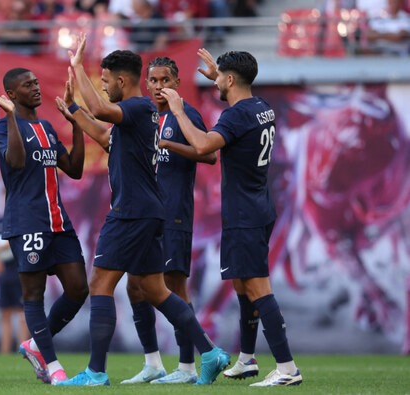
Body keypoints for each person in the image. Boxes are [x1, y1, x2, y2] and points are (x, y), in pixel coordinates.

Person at [55, 33, 229, 387]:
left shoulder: (134, 108)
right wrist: (73, 110)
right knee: (155, 290)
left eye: (105, 81)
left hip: (131, 211)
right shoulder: (142, 115)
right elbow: (105, 136)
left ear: (121, 80)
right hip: (149, 211)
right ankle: (210, 352)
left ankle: (96, 372)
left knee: (101, 283)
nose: (103, 88)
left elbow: (103, 111)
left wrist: (77, 67)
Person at [158, 48, 303, 386]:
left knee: (256, 286)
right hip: (259, 206)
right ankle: (248, 359)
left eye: (220, 76)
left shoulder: (236, 116)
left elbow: (204, 145)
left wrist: (179, 111)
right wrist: (219, 77)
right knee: (242, 284)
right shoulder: (261, 107)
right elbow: (238, 112)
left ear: (231, 79)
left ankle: (287, 368)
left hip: (244, 212)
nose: (216, 81)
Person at [120, 56, 218, 385]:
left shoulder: (185, 114)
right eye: (154, 80)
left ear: (176, 82)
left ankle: (188, 366)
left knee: (174, 286)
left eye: (166, 80)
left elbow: (209, 153)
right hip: (147, 216)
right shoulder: (148, 117)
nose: (160, 86)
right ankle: (152, 363)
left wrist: (169, 144)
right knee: (136, 286)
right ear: (146, 84)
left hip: (174, 212)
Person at [0, 67, 89, 385]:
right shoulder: (2, 128)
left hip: (58, 221)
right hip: (27, 223)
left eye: (35, 82)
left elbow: (73, 169)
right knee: (33, 296)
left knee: (78, 289)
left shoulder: (45, 126)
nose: (35, 87)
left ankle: (35, 344)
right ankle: (54, 366)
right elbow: (16, 161)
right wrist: (10, 118)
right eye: (27, 85)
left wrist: (75, 124)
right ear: (12, 94)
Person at [0, 214, 29, 354]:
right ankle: (5, 352)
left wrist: (0, 247)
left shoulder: (22, 219)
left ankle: (24, 351)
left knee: (22, 314)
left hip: (20, 273)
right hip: (4, 275)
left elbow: (16, 241)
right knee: (5, 314)